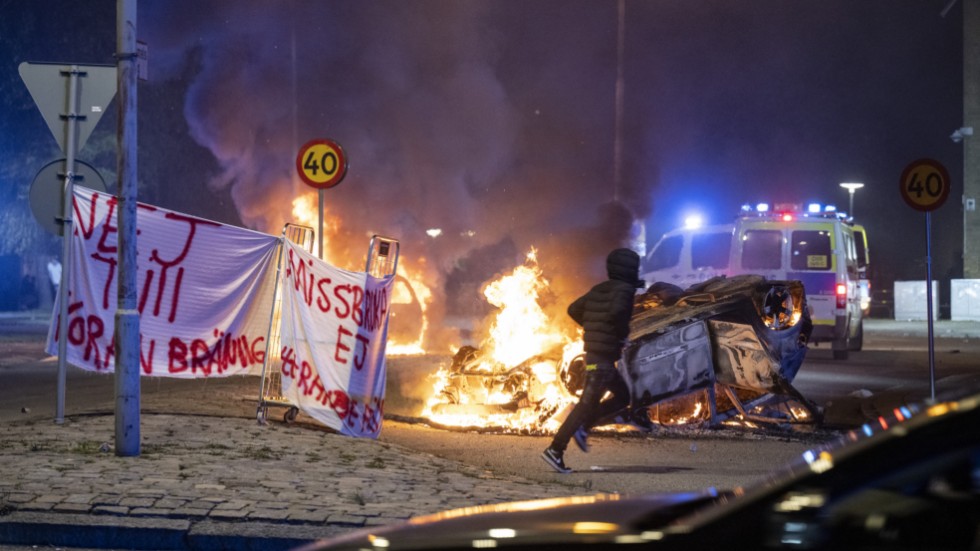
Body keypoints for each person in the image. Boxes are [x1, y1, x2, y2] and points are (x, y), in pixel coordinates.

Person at [542, 248, 643, 473]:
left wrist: (592, 328)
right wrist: (619, 334)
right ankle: (555, 449)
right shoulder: (625, 291)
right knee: (585, 405)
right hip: (602, 358)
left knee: (622, 396)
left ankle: (584, 426)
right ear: (631, 269)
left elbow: (573, 309)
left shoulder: (600, 288)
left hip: (595, 355)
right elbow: (618, 313)